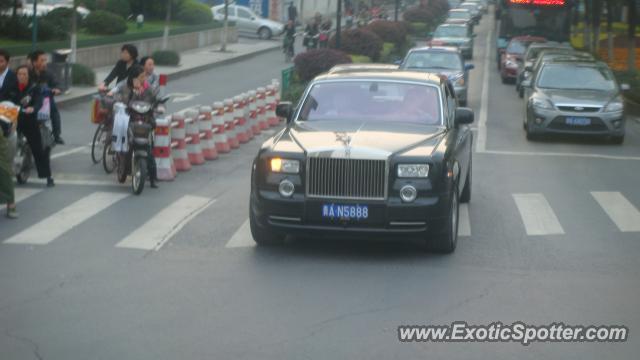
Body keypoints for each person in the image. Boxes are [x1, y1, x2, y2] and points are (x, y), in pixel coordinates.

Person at [115, 65, 158, 188]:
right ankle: (122, 166)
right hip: (129, 121)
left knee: (149, 151)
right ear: (133, 78)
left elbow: (153, 103)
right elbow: (121, 101)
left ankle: (153, 178)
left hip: (145, 122)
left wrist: (154, 112)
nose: (144, 79)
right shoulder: (125, 88)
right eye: (141, 77)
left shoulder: (148, 89)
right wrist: (133, 94)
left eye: (144, 76)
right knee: (125, 147)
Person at [15, 65, 55, 187]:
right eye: (19, 74)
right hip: (13, 120)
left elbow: (39, 101)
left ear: (28, 76)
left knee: (38, 149)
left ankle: (48, 176)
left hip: (29, 121)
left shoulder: (34, 88)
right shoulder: (12, 87)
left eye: (24, 74)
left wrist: (34, 108)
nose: (21, 76)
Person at [29, 50, 64, 145]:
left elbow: (57, 84)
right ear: (34, 62)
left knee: (55, 112)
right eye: (42, 60)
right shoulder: (27, 73)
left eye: (45, 60)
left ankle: (57, 135)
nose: (45, 63)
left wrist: (57, 89)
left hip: (46, 101)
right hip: (31, 101)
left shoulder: (49, 74)